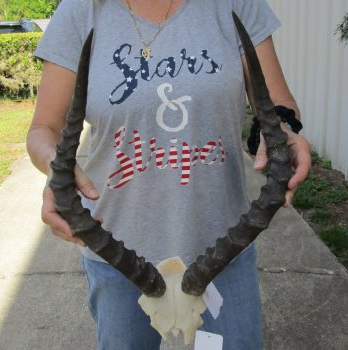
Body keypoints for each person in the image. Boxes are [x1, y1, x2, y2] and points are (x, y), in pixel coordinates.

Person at [27, 0, 311, 349]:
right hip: (118, 257)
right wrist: (57, 167)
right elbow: (44, 128)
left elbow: (278, 105)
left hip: (224, 251)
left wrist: (283, 133)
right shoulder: (80, 11)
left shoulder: (236, 3)